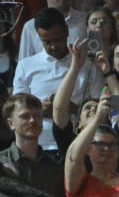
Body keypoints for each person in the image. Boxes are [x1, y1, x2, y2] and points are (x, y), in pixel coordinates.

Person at [16, 9, 104, 151]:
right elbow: (17, 106)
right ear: (39, 37)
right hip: (38, 145)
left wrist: (71, 108)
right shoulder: (26, 65)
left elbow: (100, 104)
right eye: (47, 42)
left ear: (66, 32)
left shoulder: (86, 65)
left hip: (78, 143)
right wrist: (39, 110)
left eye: (58, 40)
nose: (53, 46)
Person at [0, 94, 67, 197]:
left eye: (37, 116)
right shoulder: (2, 162)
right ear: (11, 123)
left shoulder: (55, 168)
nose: (32, 120)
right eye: (25, 116)